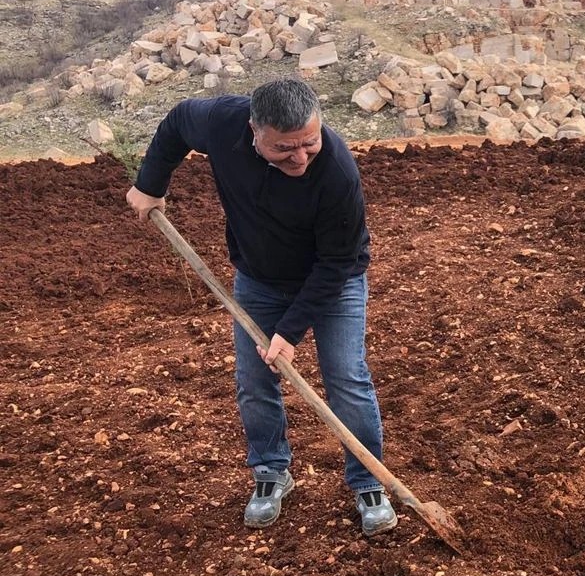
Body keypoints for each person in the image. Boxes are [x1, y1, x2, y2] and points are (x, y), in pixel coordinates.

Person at [125, 79, 398, 537]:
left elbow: (336, 263)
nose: (300, 158)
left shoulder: (336, 173)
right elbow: (176, 124)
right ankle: (271, 472)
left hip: (334, 283)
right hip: (258, 279)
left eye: (309, 143)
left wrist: (288, 333)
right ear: (254, 131)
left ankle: (369, 481)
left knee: (346, 378)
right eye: (284, 149)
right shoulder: (221, 123)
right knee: (254, 380)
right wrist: (150, 185)